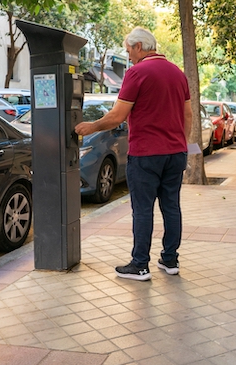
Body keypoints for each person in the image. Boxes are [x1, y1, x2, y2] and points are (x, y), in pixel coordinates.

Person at [74, 27, 192, 281]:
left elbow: (118, 116)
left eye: (129, 51)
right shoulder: (178, 74)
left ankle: (140, 265)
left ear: (139, 46)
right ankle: (170, 260)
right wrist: (182, 143)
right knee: (171, 206)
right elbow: (188, 114)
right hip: (176, 153)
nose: (129, 56)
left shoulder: (137, 73)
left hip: (146, 154)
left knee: (143, 209)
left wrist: (90, 127)